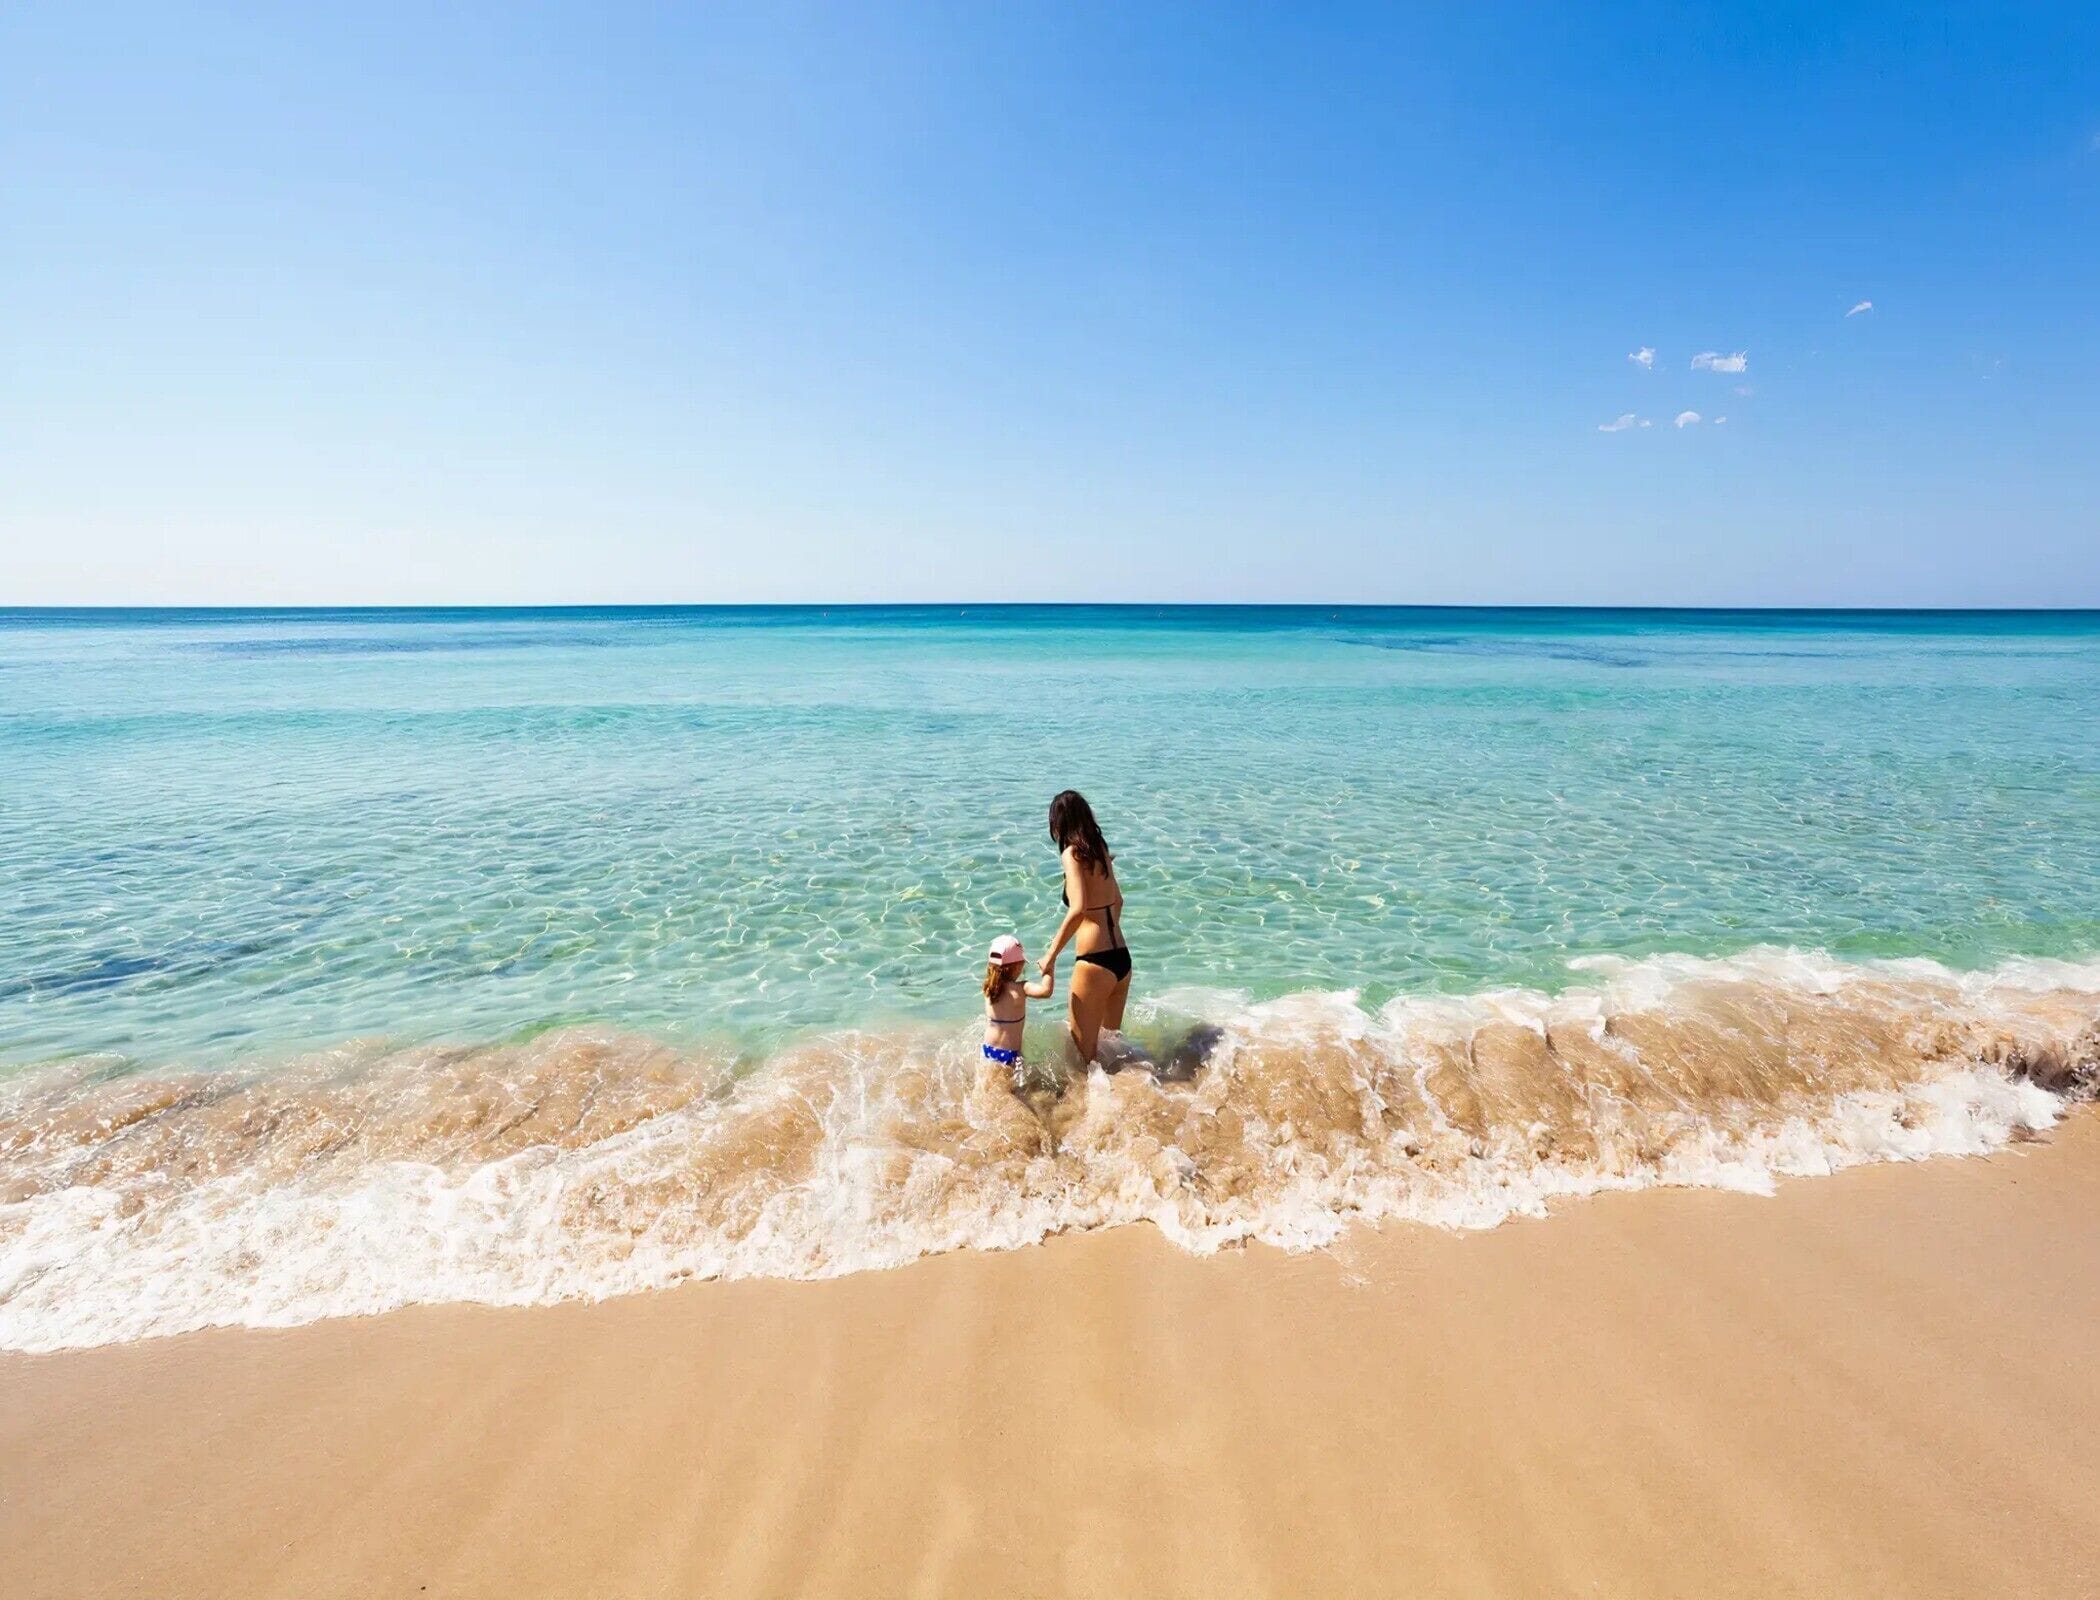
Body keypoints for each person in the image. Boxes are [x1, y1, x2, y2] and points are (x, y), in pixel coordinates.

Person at [1037, 790, 1131, 1065]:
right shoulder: (1100, 848)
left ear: (1059, 823)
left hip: (1094, 963)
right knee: (1112, 1050)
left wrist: (1050, 956)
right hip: (1121, 959)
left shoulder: (1072, 854)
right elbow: (1118, 901)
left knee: (1082, 1059)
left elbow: (1078, 909)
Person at [982, 933, 1053, 1084]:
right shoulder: (1021, 988)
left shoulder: (988, 989)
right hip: (1009, 1053)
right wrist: (1049, 968)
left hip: (988, 1049)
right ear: (1016, 967)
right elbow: (1046, 991)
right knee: (1008, 1090)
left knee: (990, 1086)